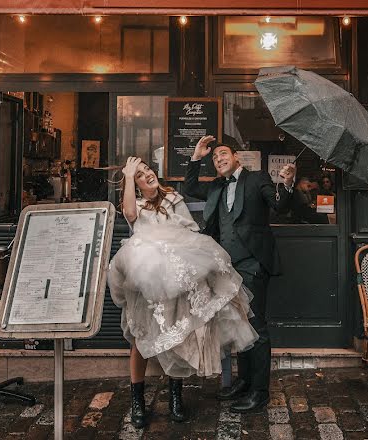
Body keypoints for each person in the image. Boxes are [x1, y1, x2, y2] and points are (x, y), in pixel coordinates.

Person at [108, 157, 259, 429]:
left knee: (177, 336)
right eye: (141, 176)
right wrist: (129, 175)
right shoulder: (137, 204)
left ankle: (176, 398)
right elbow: (130, 215)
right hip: (144, 281)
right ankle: (137, 401)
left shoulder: (172, 198)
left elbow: (191, 231)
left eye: (148, 171)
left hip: (176, 278)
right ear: (135, 183)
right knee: (140, 339)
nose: (148, 176)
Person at [184, 136, 296, 413]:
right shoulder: (216, 188)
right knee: (239, 326)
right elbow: (188, 188)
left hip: (253, 264)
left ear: (236, 157)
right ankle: (245, 382)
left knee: (256, 327)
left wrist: (287, 183)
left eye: (223, 154)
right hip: (227, 267)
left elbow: (280, 205)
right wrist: (196, 157)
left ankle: (259, 392)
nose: (219, 159)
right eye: (215, 158)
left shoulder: (257, 179)